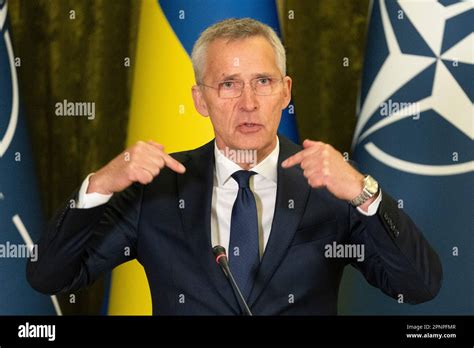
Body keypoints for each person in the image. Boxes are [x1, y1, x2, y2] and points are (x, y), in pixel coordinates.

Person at [27, 18, 442, 315]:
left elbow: (420, 286)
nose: (248, 103)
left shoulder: (329, 185)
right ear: (200, 100)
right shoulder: (159, 190)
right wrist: (99, 186)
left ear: (285, 91)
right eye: (228, 84)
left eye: (263, 82)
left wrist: (363, 193)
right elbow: (50, 277)